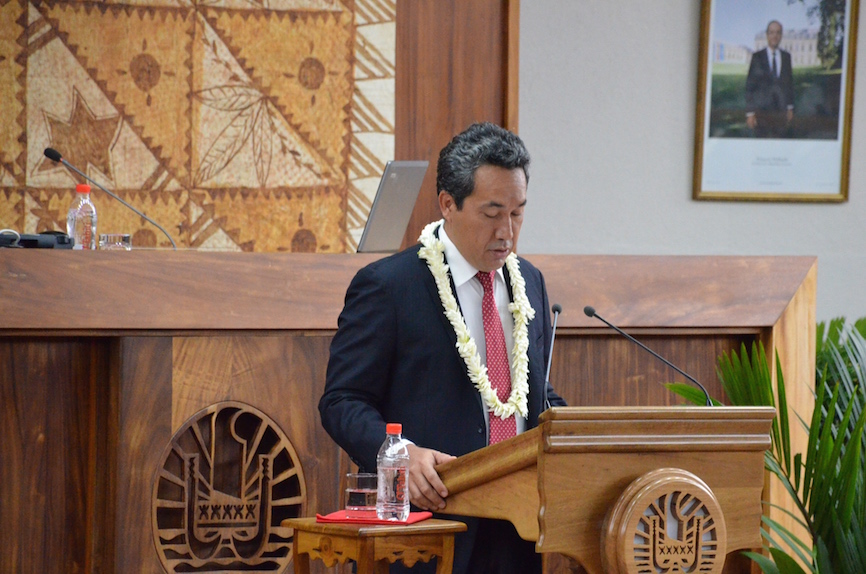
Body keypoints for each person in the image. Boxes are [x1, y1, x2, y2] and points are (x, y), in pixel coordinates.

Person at [319, 122, 566, 574]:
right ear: (448, 205)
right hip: (429, 528)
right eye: (492, 213)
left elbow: (529, 392)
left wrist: (572, 430)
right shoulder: (390, 286)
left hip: (519, 527)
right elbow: (341, 401)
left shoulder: (528, 281)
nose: (507, 232)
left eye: (518, 213)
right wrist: (398, 453)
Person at [745, 20, 795, 138]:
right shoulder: (757, 57)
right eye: (771, 32)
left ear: (781, 35)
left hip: (781, 112)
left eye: (778, 33)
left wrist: (790, 107)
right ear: (767, 35)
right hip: (761, 112)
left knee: (780, 144)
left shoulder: (786, 57)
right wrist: (750, 113)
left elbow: (789, 84)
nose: (775, 36)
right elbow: (750, 85)